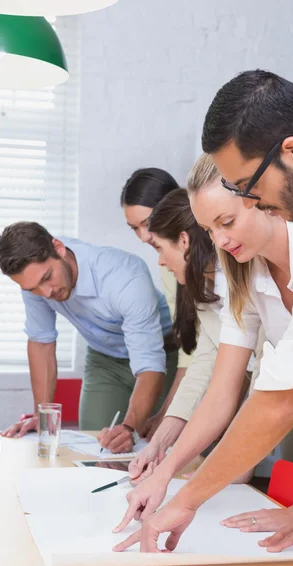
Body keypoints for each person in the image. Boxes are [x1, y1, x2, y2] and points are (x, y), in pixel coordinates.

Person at [113, 69, 293, 556]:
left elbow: (289, 394)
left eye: (246, 186)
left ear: (292, 151)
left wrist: (186, 499)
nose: (251, 198)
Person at [0, 222, 176, 453]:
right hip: (105, 358)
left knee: (159, 445)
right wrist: (42, 419)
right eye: (33, 289)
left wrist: (130, 427)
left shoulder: (124, 276)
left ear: (59, 248)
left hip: (163, 353)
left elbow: (150, 361)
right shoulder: (34, 282)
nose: (46, 293)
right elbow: (41, 343)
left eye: (47, 278)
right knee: (95, 447)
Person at [128, 187, 252, 484]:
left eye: (159, 248)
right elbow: (204, 365)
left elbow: (261, 387)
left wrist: (228, 465)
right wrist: (158, 445)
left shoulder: (247, 283)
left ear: (184, 241)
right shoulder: (203, 289)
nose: (159, 261)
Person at [120, 168, 192, 438]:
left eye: (147, 223)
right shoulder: (166, 264)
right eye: (134, 228)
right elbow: (192, 351)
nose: (143, 237)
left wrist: (170, 416)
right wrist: (166, 415)